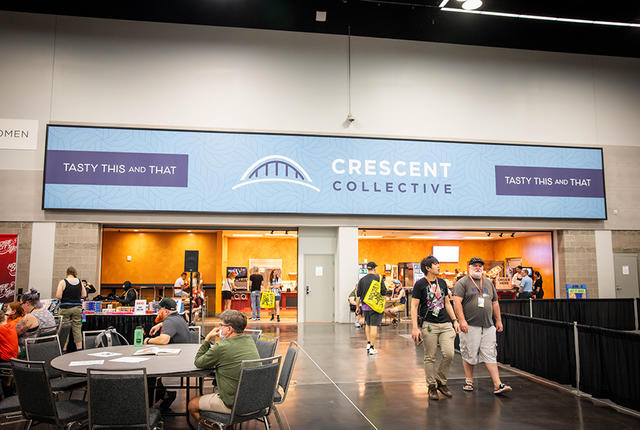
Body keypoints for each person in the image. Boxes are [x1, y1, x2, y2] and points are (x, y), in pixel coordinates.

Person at [453, 257, 512, 395]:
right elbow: (457, 303)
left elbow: (495, 303)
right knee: (469, 352)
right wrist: (461, 320)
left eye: (480, 266)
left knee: (490, 353)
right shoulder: (462, 283)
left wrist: (498, 320)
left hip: (488, 325)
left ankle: (498, 384)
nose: (478, 268)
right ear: (469, 267)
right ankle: (469, 380)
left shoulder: (488, 283)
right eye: (475, 266)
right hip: (470, 325)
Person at [188, 310, 260, 421]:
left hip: (235, 404)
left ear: (229, 329)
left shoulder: (221, 346)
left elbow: (198, 362)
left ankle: (214, 427)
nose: (219, 328)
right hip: (257, 400)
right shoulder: (249, 340)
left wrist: (207, 339)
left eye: (221, 325)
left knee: (192, 404)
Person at [411, 255, 460, 400]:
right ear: (428, 268)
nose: (439, 266)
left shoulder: (443, 282)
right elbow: (413, 307)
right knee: (430, 357)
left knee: (449, 354)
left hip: (445, 324)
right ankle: (431, 386)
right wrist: (415, 328)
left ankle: (441, 380)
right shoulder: (420, 284)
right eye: (436, 264)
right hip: (429, 325)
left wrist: (455, 320)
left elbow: (447, 303)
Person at [145, 298, 191, 409]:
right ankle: (165, 395)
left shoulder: (169, 321)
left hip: (177, 362)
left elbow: (163, 340)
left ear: (165, 311)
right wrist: (160, 325)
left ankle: (149, 405)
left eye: (159, 310)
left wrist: (147, 340)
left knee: (148, 370)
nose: (158, 312)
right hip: (184, 356)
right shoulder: (179, 318)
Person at [356, 261, 386, 356]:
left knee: (368, 324)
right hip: (375, 306)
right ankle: (372, 347)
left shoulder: (362, 280)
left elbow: (358, 295)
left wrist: (357, 307)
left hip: (365, 306)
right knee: (374, 326)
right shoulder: (378, 279)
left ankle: (368, 343)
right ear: (374, 268)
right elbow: (384, 293)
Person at [56, 266, 87, 351]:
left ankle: (64, 350)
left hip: (65, 308)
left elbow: (58, 296)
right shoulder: (79, 282)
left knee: (65, 329)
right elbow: (84, 295)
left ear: (67, 273)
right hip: (77, 308)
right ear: (75, 273)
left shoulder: (63, 282)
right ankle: (79, 349)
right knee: (77, 329)